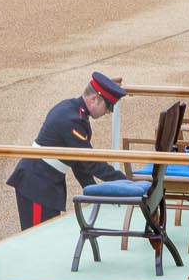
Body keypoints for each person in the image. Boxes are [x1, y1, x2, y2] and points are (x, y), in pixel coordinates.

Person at [7, 73, 129, 228]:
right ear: (94, 99)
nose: (108, 112)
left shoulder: (73, 110)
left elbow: (78, 162)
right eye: (107, 106)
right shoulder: (72, 120)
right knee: (37, 238)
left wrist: (93, 191)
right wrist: (126, 184)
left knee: (44, 236)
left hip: (45, 183)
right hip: (37, 184)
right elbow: (91, 162)